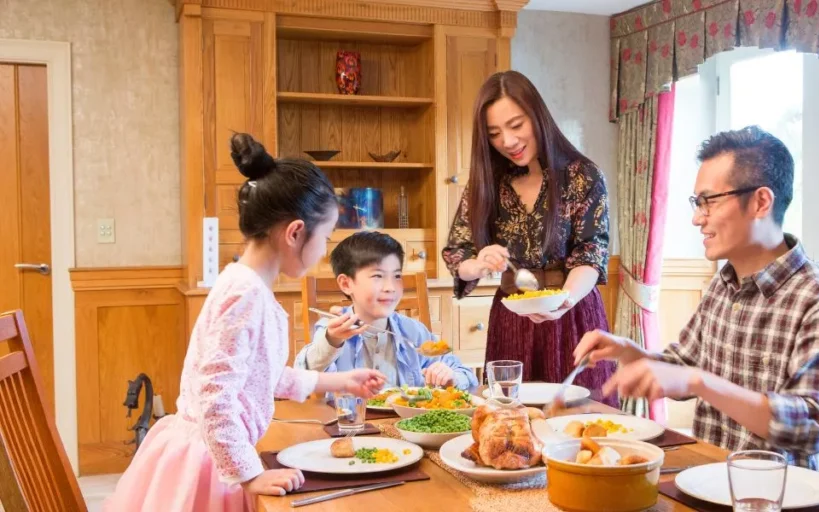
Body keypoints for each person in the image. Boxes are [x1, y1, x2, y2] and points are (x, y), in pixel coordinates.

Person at [106, 134, 387, 511]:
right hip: (212, 466)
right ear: (295, 233)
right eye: (326, 238)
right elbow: (215, 395)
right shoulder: (245, 294)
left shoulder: (247, 285)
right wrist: (249, 474)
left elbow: (262, 375)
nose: (324, 251)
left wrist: (341, 381)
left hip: (221, 454)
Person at [575, 126, 819, 470]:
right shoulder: (724, 283)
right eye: (697, 203)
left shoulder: (817, 299)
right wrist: (627, 352)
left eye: (709, 201)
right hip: (707, 478)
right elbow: (683, 369)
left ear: (761, 202)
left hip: (774, 491)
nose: (697, 218)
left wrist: (700, 381)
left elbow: (814, 426)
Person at [441, 70, 616, 406]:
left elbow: (591, 253)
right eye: (494, 133)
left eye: (516, 125)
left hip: (573, 314)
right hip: (512, 319)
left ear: (537, 115)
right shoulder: (487, 183)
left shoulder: (583, 176)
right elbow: (458, 255)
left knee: (582, 418)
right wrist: (478, 264)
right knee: (510, 419)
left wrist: (563, 302)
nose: (507, 141)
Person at [294, 231, 479, 390]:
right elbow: (302, 378)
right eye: (378, 276)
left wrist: (451, 377)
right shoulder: (332, 330)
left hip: (406, 420)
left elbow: (467, 376)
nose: (390, 287)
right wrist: (332, 341)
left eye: (397, 276)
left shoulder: (413, 332)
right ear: (346, 284)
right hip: (351, 420)